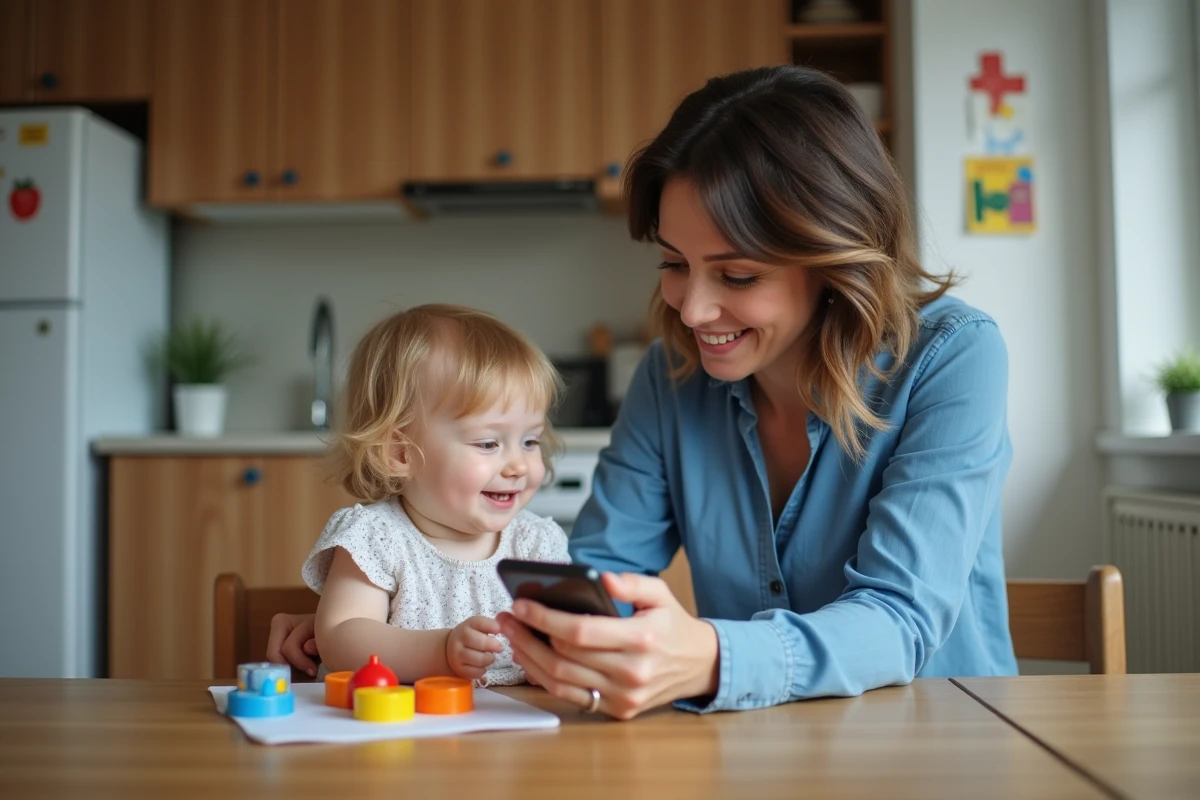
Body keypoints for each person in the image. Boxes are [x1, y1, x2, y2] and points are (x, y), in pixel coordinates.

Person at [269, 64, 1017, 718]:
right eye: (672, 262)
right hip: (748, 744)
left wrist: (712, 660)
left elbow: (901, 618)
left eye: (737, 275)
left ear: (835, 259)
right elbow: (598, 575)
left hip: (938, 730)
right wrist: (369, 629)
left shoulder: (953, 356)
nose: (691, 311)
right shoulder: (675, 372)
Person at [297, 303, 570, 687]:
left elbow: (570, 640)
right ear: (401, 453)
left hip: (517, 736)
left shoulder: (538, 544)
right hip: (397, 734)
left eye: (530, 441)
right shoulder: (377, 537)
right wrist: (440, 651)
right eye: (489, 443)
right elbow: (341, 638)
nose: (519, 466)